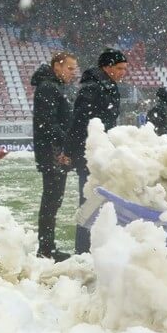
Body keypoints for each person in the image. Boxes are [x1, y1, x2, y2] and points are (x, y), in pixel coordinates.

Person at [68, 48, 128, 254]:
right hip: (90, 154)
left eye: (125, 69)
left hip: (103, 152)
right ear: (107, 67)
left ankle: (97, 248)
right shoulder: (92, 88)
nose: (123, 72)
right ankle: (83, 251)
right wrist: (69, 151)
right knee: (89, 202)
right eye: (119, 68)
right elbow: (78, 122)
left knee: (102, 202)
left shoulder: (108, 86)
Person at [31, 51, 79, 261]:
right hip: (52, 153)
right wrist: (65, 146)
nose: (72, 73)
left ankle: (47, 247)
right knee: (51, 201)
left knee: (53, 201)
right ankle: (46, 249)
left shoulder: (53, 87)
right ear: (57, 66)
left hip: (53, 151)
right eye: (69, 68)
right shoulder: (48, 88)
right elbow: (47, 124)